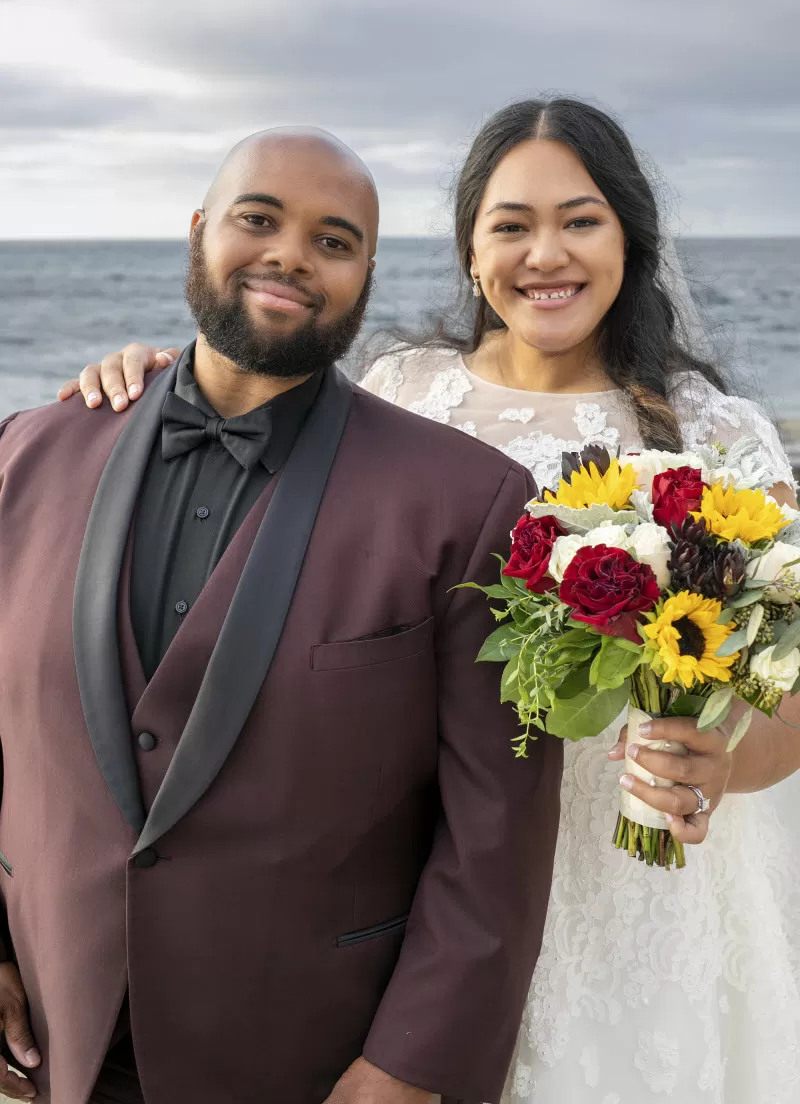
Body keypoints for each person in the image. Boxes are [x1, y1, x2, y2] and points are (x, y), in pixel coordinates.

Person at [75, 99, 800, 1104]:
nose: (544, 254)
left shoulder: (713, 435)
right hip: (427, 878)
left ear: (629, 239)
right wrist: (151, 377)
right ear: (468, 252)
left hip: (631, 881)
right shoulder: (399, 392)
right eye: (509, 225)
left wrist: (724, 760)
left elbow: (784, 676)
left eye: (579, 221)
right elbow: (249, 436)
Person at [0, 127, 564, 1104]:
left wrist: (412, 1064)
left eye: (333, 240)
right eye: (257, 219)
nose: (289, 255)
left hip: (312, 1053)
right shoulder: (29, 452)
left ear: (366, 276)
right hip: (63, 1036)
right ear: (198, 231)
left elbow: (497, 829)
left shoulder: (468, 501)